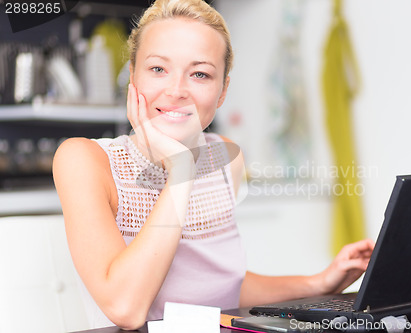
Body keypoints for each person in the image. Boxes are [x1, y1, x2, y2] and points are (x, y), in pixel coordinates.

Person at [53, 0, 374, 330]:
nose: (177, 90)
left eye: (200, 74)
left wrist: (319, 283)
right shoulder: (85, 161)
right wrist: (181, 169)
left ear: (222, 92)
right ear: (132, 75)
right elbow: (126, 308)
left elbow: (220, 286)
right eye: (158, 69)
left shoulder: (226, 157)